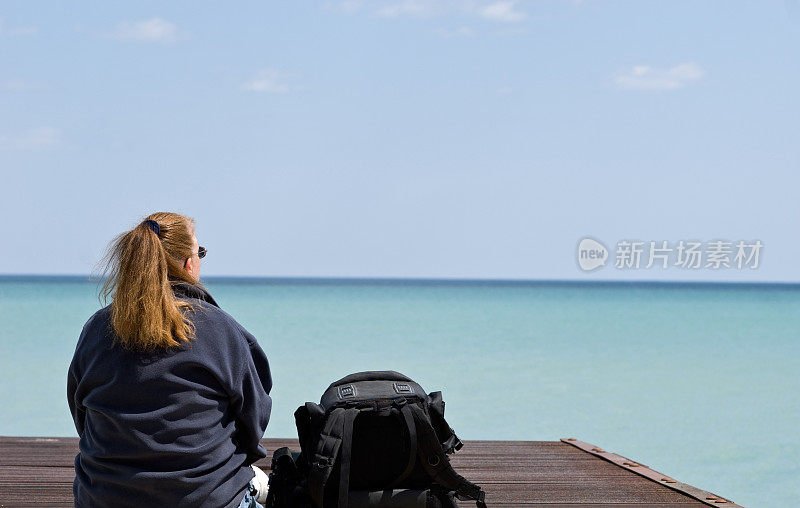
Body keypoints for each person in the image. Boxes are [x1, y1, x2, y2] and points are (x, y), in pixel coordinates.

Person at [67, 212, 272, 507]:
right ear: (190, 263)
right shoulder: (219, 328)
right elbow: (253, 421)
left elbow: (82, 415)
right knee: (260, 484)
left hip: (105, 499)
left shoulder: (97, 330)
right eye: (199, 252)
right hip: (206, 500)